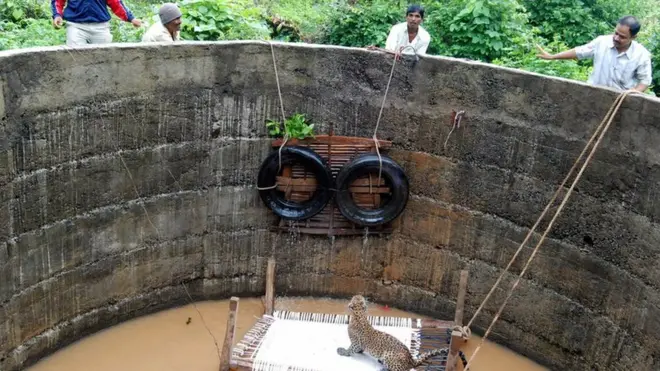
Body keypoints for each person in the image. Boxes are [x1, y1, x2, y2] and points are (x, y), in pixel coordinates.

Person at [536, 15, 653, 92]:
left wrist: (634, 92)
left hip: (620, 102)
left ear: (633, 37)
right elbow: (579, 52)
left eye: (622, 37)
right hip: (593, 94)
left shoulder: (641, 55)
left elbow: (645, 81)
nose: (616, 38)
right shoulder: (602, 42)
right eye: (615, 33)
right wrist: (553, 57)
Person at [51, 0, 142, 46]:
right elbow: (58, 1)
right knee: (76, 58)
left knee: (104, 59)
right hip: (76, 26)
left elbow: (115, 3)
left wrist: (131, 18)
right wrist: (57, 15)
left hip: (101, 27)